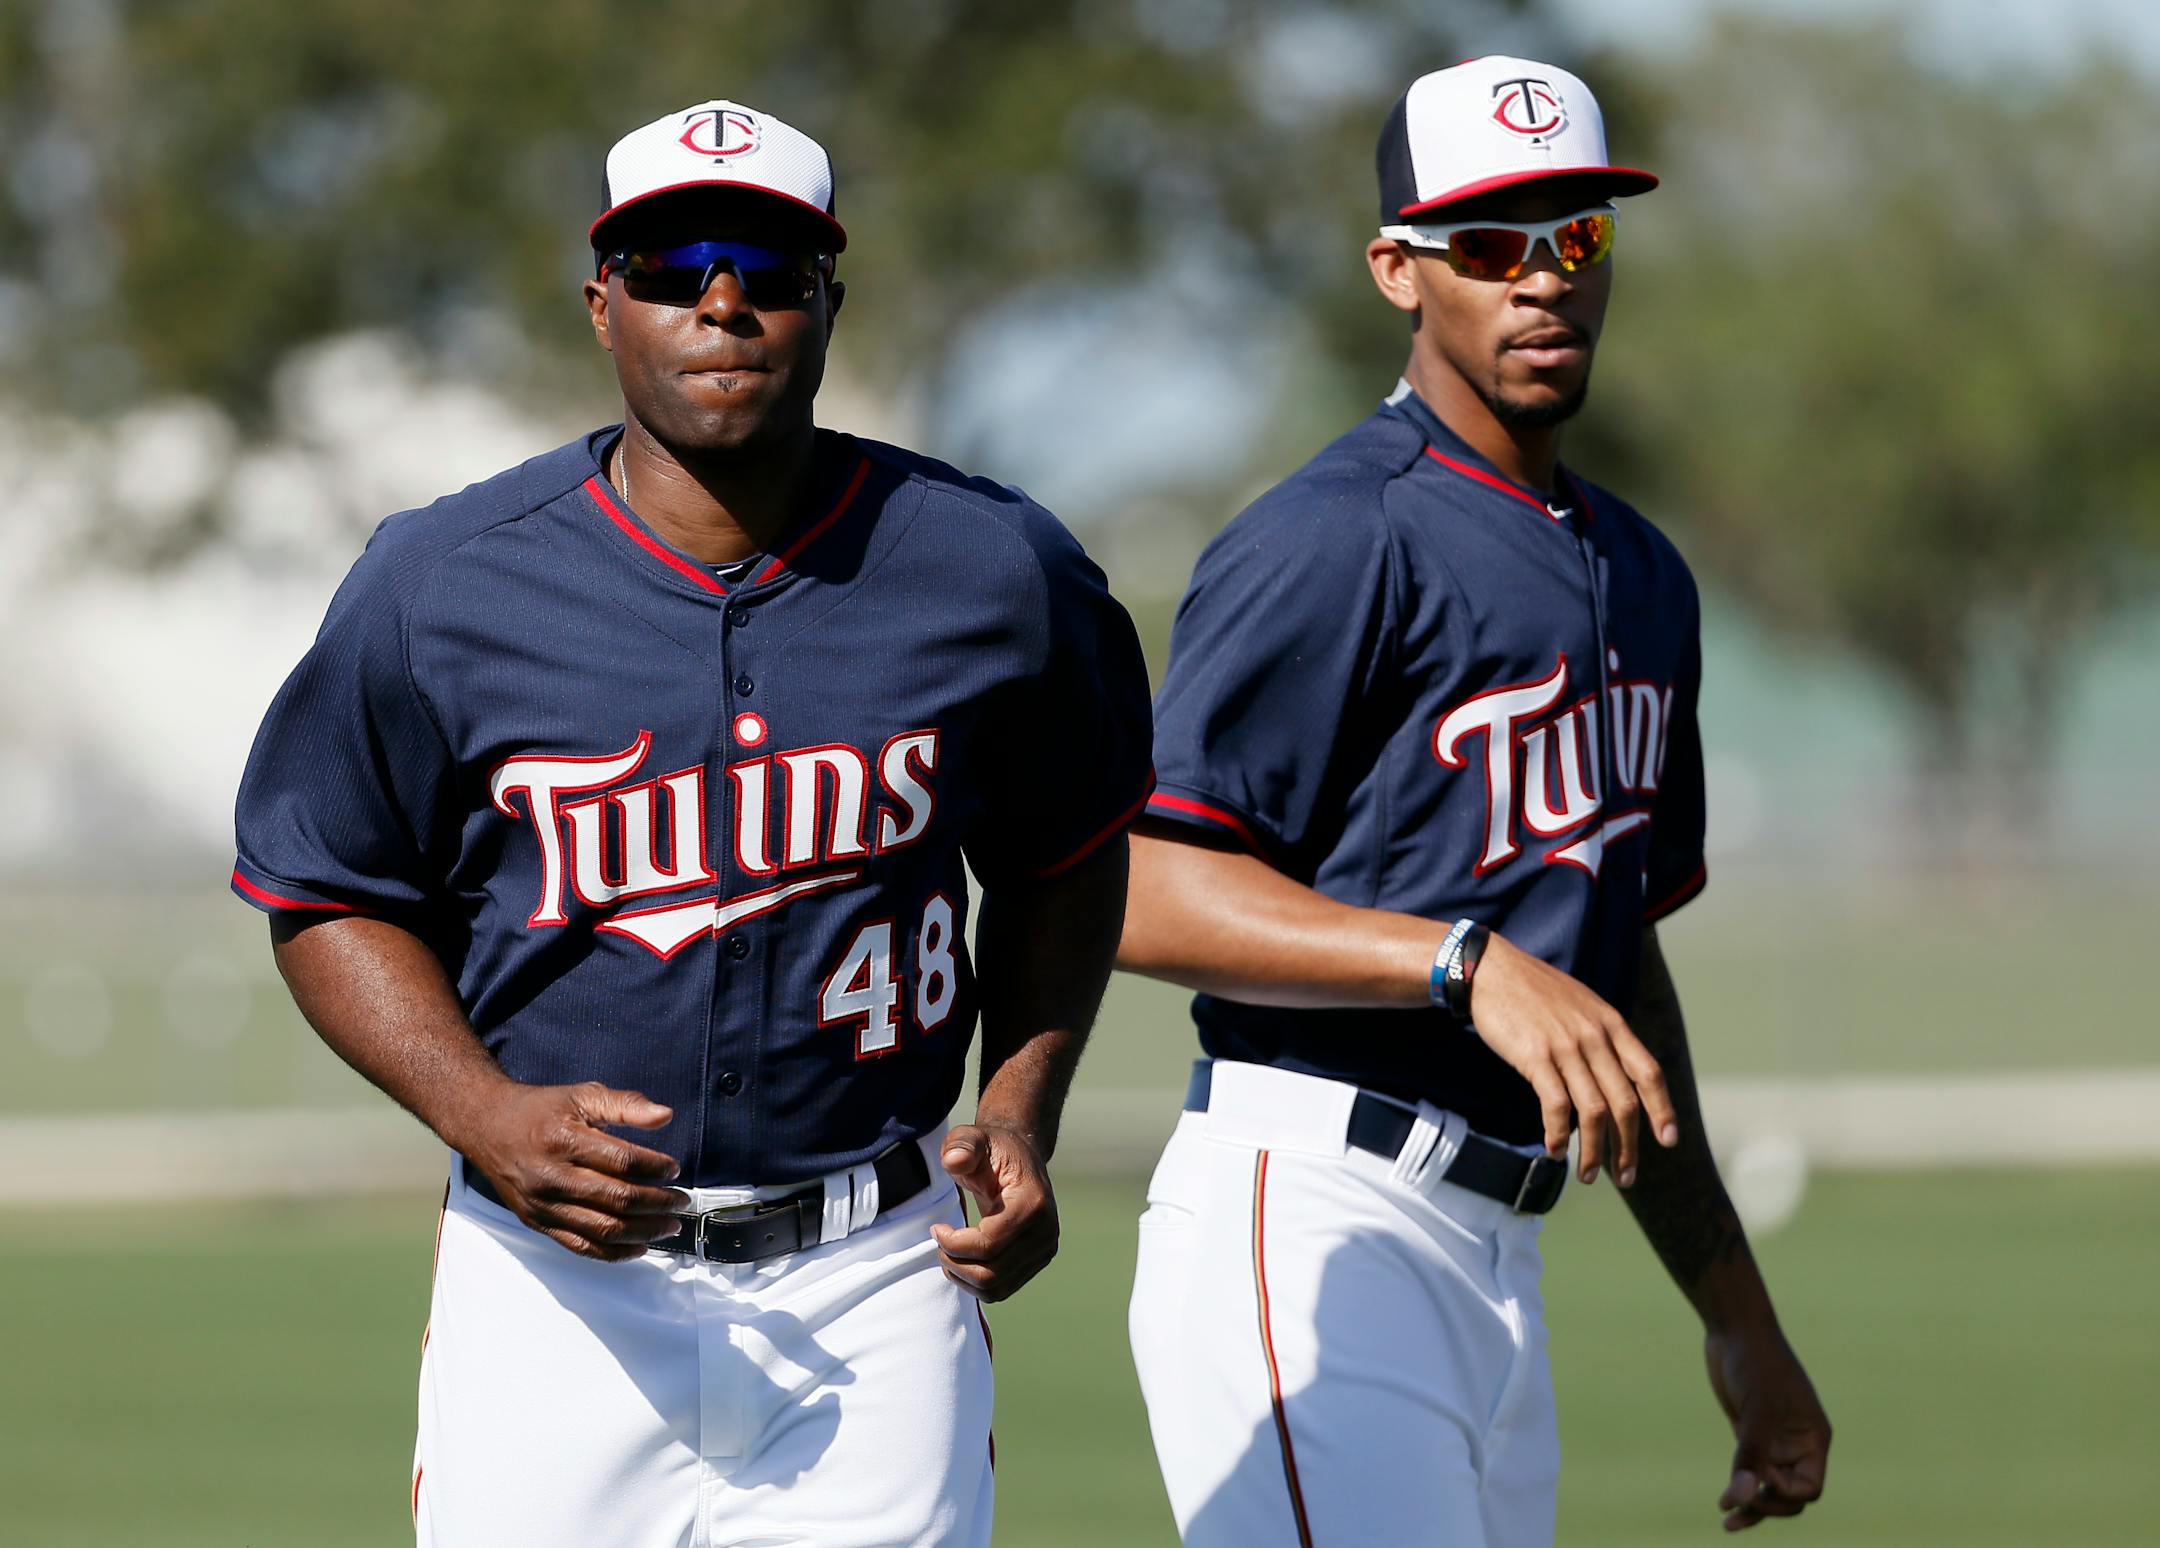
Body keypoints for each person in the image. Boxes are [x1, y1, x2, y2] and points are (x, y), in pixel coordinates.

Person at [232, 98, 1153, 1548]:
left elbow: (1066, 855)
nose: (723, 302)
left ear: (828, 302)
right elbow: (326, 889)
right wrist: (480, 1109)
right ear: (604, 303)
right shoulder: (443, 582)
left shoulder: (995, 571)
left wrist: (1022, 1109)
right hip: (557, 1283)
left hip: (877, 1272)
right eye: (671, 267)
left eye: (773, 269)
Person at [1119, 56, 1831, 1546]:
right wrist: (1460, 960)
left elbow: (1609, 962)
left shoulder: (1643, 573)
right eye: (1491, 243)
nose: (1542, 282)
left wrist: (1737, 1316)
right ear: (1399, 267)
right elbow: (1141, 891)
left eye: (1574, 236)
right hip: (1312, 1214)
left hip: (1502, 1253)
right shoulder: (1335, 537)